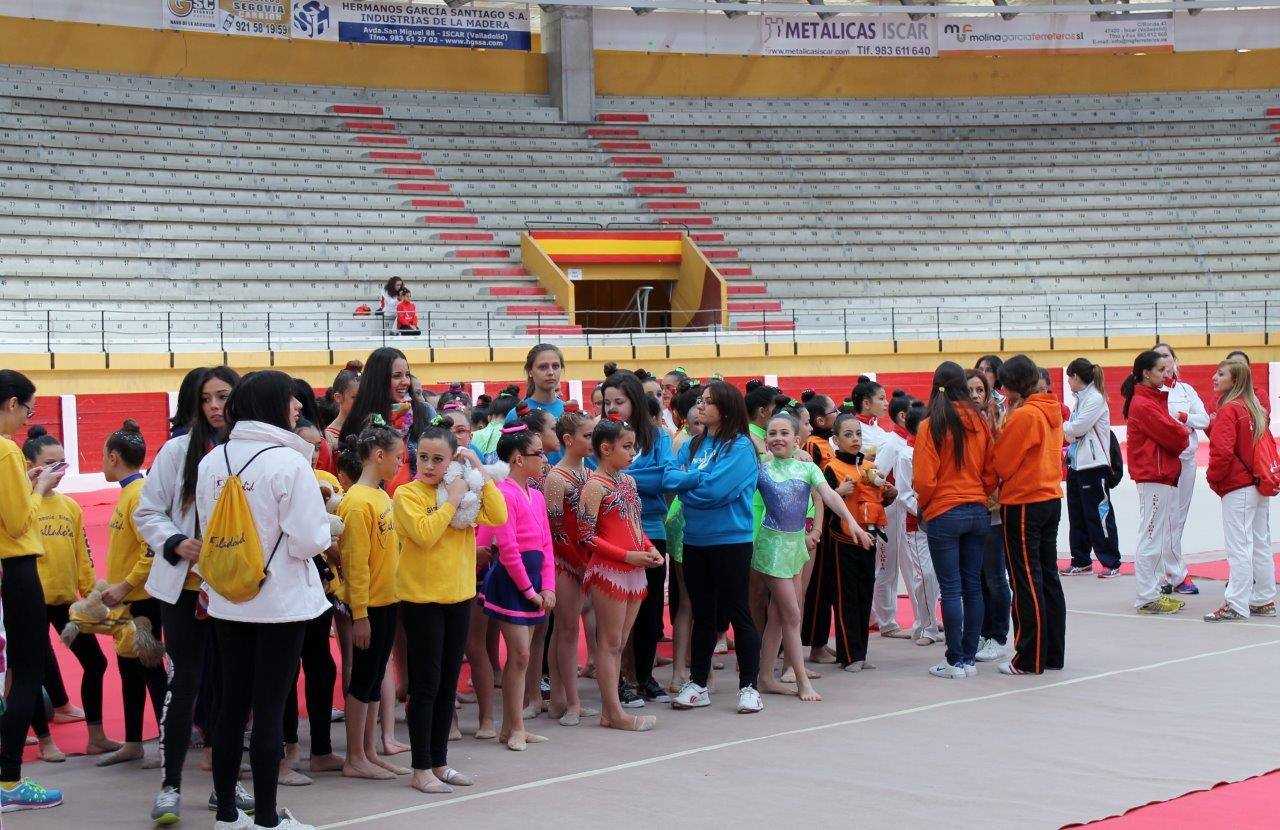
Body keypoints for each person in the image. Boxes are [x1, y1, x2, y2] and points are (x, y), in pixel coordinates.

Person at [196, 370, 332, 830]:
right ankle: (268, 819)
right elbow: (309, 539)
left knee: (231, 704)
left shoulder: (213, 461)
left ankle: (230, 815)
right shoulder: (289, 462)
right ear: (274, 404)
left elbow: (207, 529)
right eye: (293, 401)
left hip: (228, 597)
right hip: (280, 600)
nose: (298, 408)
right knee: (271, 707)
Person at [136, 366, 252, 823]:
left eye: (223, 396)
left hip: (236, 592)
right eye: (205, 400)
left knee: (231, 690)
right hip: (184, 590)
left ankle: (226, 785)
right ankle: (170, 786)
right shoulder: (176, 451)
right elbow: (149, 511)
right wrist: (174, 541)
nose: (215, 407)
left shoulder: (251, 452)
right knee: (184, 685)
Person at [394, 418, 506, 792]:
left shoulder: (464, 490)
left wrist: (477, 471)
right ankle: (420, 767)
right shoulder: (407, 495)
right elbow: (425, 535)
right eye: (422, 457)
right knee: (425, 686)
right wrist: (453, 499)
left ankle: (439, 762)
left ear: (451, 461)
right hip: (421, 600)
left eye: (437, 459)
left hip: (459, 597)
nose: (428, 465)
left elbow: (499, 516)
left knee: (446, 686)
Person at [666, 380, 764, 715]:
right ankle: (698, 684)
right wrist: (695, 484)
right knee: (702, 614)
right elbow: (669, 478)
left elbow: (715, 492)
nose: (700, 406)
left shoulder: (740, 448)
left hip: (731, 541)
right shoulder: (692, 446)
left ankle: (749, 687)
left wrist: (688, 484)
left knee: (738, 611)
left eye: (708, 401)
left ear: (725, 407)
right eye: (700, 401)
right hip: (695, 540)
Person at [756, 411, 867, 698]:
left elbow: (829, 495)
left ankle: (765, 677)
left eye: (784, 433)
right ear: (766, 440)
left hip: (796, 546)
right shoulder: (761, 468)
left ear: (796, 440)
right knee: (792, 614)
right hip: (772, 547)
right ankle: (802, 680)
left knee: (779, 616)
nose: (777, 438)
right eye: (772, 434)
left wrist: (852, 523)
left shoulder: (807, 468)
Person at [24, 427, 116, 761]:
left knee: (96, 661)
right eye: (51, 464)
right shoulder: (21, 506)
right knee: (28, 671)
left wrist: (91, 595)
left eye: (63, 464)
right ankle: (45, 740)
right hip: (29, 602)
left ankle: (96, 736)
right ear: (30, 466)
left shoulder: (70, 507)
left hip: (65, 602)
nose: (59, 471)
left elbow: (82, 555)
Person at [0, 370, 67, 812]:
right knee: (26, 672)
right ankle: (8, 781)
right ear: (10, 403)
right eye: (28, 408)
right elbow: (19, 521)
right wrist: (37, 486)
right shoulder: (5, 449)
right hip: (15, 563)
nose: (28, 418)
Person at [577, 417, 664, 731]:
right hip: (611, 571)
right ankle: (613, 712)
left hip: (634, 569)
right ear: (605, 448)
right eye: (627, 447)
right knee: (610, 643)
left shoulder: (628, 481)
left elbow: (634, 526)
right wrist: (628, 554)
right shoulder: (594, 486)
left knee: (620, 641)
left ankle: (610, 712)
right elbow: (586, 536)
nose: (632, 453)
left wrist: (649, 547)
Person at [914, 362, 997, 679]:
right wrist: (979, 493)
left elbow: (924, 479)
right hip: (977, 510)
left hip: (944, 512)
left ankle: (954, 660)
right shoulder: (979, 422)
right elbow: (991, 470)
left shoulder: (931, 424)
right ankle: (969, 660)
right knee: (972, 587)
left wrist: (927, 504)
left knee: (950, 589)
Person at [337, 419, 408, 782]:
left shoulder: (382, 495)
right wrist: (359, 614)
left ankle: (367, 751)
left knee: (374, 675)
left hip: (387, 601)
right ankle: (353, 757)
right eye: (397, 457)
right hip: (370, 606)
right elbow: (355, 565)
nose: (401, 464)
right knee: (362, 680)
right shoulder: (356, 503)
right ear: (379, 456)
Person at [599, 370, 674, 705]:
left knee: (649, 610)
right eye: (607, 402)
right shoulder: (602, 435)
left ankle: (643, 675)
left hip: (652, 529)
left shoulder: (656, 437)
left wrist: (625, 474)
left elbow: (665, 479)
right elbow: (600, 478)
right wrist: (638, 476)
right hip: (615, 534)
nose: (613, 407)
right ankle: (617, 682)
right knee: (615, 616)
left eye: (620, 401)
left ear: (635, 402)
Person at [98, 421, 169, 768]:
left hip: (140, 599)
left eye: (103, 457)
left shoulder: (138, 495)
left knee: (150, 669)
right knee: (128, 670)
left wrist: (125, 585)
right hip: (125, 600)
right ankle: (132, 742)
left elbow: (152, 550)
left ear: (114, 457)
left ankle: (166, 743)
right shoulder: (129, 494)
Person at [991, 356, 1067, 676]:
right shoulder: (1050, 408)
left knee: (1026, 579)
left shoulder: (1024, 417)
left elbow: (1002, 465)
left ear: (1009, 386)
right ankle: (1051, 653)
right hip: (1049, 497)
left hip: (1024, 501)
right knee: (1047, 576)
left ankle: (1027, 656)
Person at [482, 425, 556, 751]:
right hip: (512, 583)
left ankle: (514, 728)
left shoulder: (536, 495)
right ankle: (513, 727)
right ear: (516, 458)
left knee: (523, 658)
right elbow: (509, 550)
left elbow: (546, 545)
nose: (544, 458)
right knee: (521, 654)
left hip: (535, 580)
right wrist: (529, 590)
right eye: (538, 453)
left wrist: (549, 586)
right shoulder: (502, 493)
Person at [1204, 359, 1275, 622]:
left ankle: (1236, 603)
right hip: (1258, 483)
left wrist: (1214, 479)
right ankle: (1264, 598)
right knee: (1259, 543)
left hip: (1238, 485)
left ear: (1234, 381)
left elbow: (1221, 452)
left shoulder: (1229, 409)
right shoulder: (1254, 408)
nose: (1214, 376)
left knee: (1239, 546)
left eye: (1220, 373)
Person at [1121, 351, 1190, 616]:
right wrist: (1182, 431)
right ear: (1146, 373)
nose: (1166, 374)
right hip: (1154, 475)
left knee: (1156, 535)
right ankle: (1146, 597)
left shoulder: (1150, 400)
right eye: (1161, 370)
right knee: (1151, 535)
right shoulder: (1144, 403)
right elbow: (1176, 435)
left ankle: (1152, 592)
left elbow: (1174, 433)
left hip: (1159, 475)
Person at [823, 412, 891, 672]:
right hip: (843, 541)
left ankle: (859, 651)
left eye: (858, 434)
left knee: (865, 595)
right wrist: (839, 493)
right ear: (836, 440)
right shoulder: (831, 468)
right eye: (848, 434)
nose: (855, 439)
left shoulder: (868, 468)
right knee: (846, 598)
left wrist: (887, 495)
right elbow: (822, 504)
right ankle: (850, 654)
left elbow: (875, 501)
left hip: (869, 539)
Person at [543, 408, 597, 725]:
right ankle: (572, 702)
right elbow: (557, 529)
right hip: (564, 561)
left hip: (582, 558)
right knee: (565, 630)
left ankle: (560, 700)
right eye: (587, 436)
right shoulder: (556, 477)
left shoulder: (588, 474)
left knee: (565, 630)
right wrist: (578, 562)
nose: (593, 441)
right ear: (568, 439)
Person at [852, 377, 908, 640]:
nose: (886, 404)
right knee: (884, 564)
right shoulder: (866, 435)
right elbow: (872, 474)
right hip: (874, 506)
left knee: (883, 563)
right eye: (881, 399)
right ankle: (886, 621)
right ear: (866, 403)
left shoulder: (881, 434)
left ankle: (876, 615)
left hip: (885, 504)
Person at [1151, 343, 1209, 596]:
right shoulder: (1151, 391)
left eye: (1167, 356)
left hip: (1188, 460)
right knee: (1167, 519)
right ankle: (1176, 574)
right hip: (1165, 461)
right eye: (1158, 358)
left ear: (1175, 360)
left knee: (1178, 518)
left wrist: (1184, 418)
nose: (1164, 361)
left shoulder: (1187, 389)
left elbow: (1204, 419)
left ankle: (1170, 572)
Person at [1060, 359, 1122, 579]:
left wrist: (1066, 428)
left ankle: (1111, 560)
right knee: (1077, 515)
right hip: (1077, 465)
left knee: (1099, 514)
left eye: (1069, 377)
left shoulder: (1095, 398)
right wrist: (1069, 430)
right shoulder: (1081, 400)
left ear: (1076, 377)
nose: (1068, 382)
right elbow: (1072, 432)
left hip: (1094, 466)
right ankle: (1081, 560)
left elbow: (1076, 429)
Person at [342, 347, 424, 496]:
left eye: (407, 375)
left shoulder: (422, 412)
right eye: (397, 376)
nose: (405, 381)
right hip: (379, 509)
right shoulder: (362, 422)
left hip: (417, 508)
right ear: (379, 380)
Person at [894, 406, 942, 647]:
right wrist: (927, 513)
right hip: (918, 524)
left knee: (936, 575)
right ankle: (925, 626)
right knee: (924, 575)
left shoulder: (934, 448)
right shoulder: (905, 454)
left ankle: (930, 620)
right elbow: (904, 495)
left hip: (939, 519)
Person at [665, 381, 701, 693]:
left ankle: (699, 671)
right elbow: (672, 481)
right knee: (688, 602)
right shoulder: (683, 444)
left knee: (703, 603)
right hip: (684, 521)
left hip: (708, 524)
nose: (702, 425)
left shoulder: (729, 446)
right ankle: (679, 670)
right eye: (696, 422)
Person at [801, 390, 841, 663]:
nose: (838, 414)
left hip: (830, 521)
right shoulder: (813, 446)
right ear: (820, 420)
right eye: (833, 411)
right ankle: (814, 644)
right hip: (819, 521)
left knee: (825, 585)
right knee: (816, 586)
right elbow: (816, 488)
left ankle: (821, 642)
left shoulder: (830, 443)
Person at [507, 344, 566, 427]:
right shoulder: (515, 415)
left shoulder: (570, 413)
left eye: (555, 366)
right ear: (530, 371)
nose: (551, 372)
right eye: (543, 367)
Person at [322, 363, 361, 454]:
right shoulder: (329, 437)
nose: (362, 402)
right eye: (355, 398)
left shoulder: (370, 428)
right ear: (338, 397)